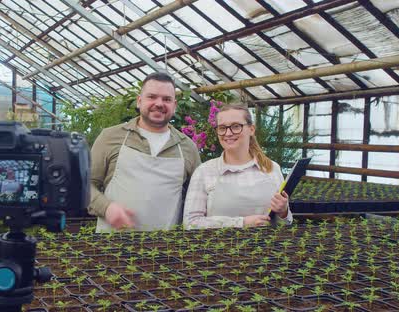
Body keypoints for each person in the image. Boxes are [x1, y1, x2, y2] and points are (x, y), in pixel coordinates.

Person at [89, 72, 202, 232]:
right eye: (152, 97)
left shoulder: (187, 147)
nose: (159, 103)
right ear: (139, 101)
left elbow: (199, 197)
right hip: (112, 247)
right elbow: (84, 185)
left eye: (166, 99)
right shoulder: (111, 137)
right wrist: (106, 208)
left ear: (174, 106)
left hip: (166, 251)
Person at [183, 104, 293, 229]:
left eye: (236, 126)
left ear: (251, 129)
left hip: (266, 247)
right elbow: (191, 223)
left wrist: (283, 212)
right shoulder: (204, 171)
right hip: (219, 247)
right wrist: (241, 223)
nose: (228, 133)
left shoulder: (271, 168)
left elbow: (284, 224)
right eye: (222, 128)